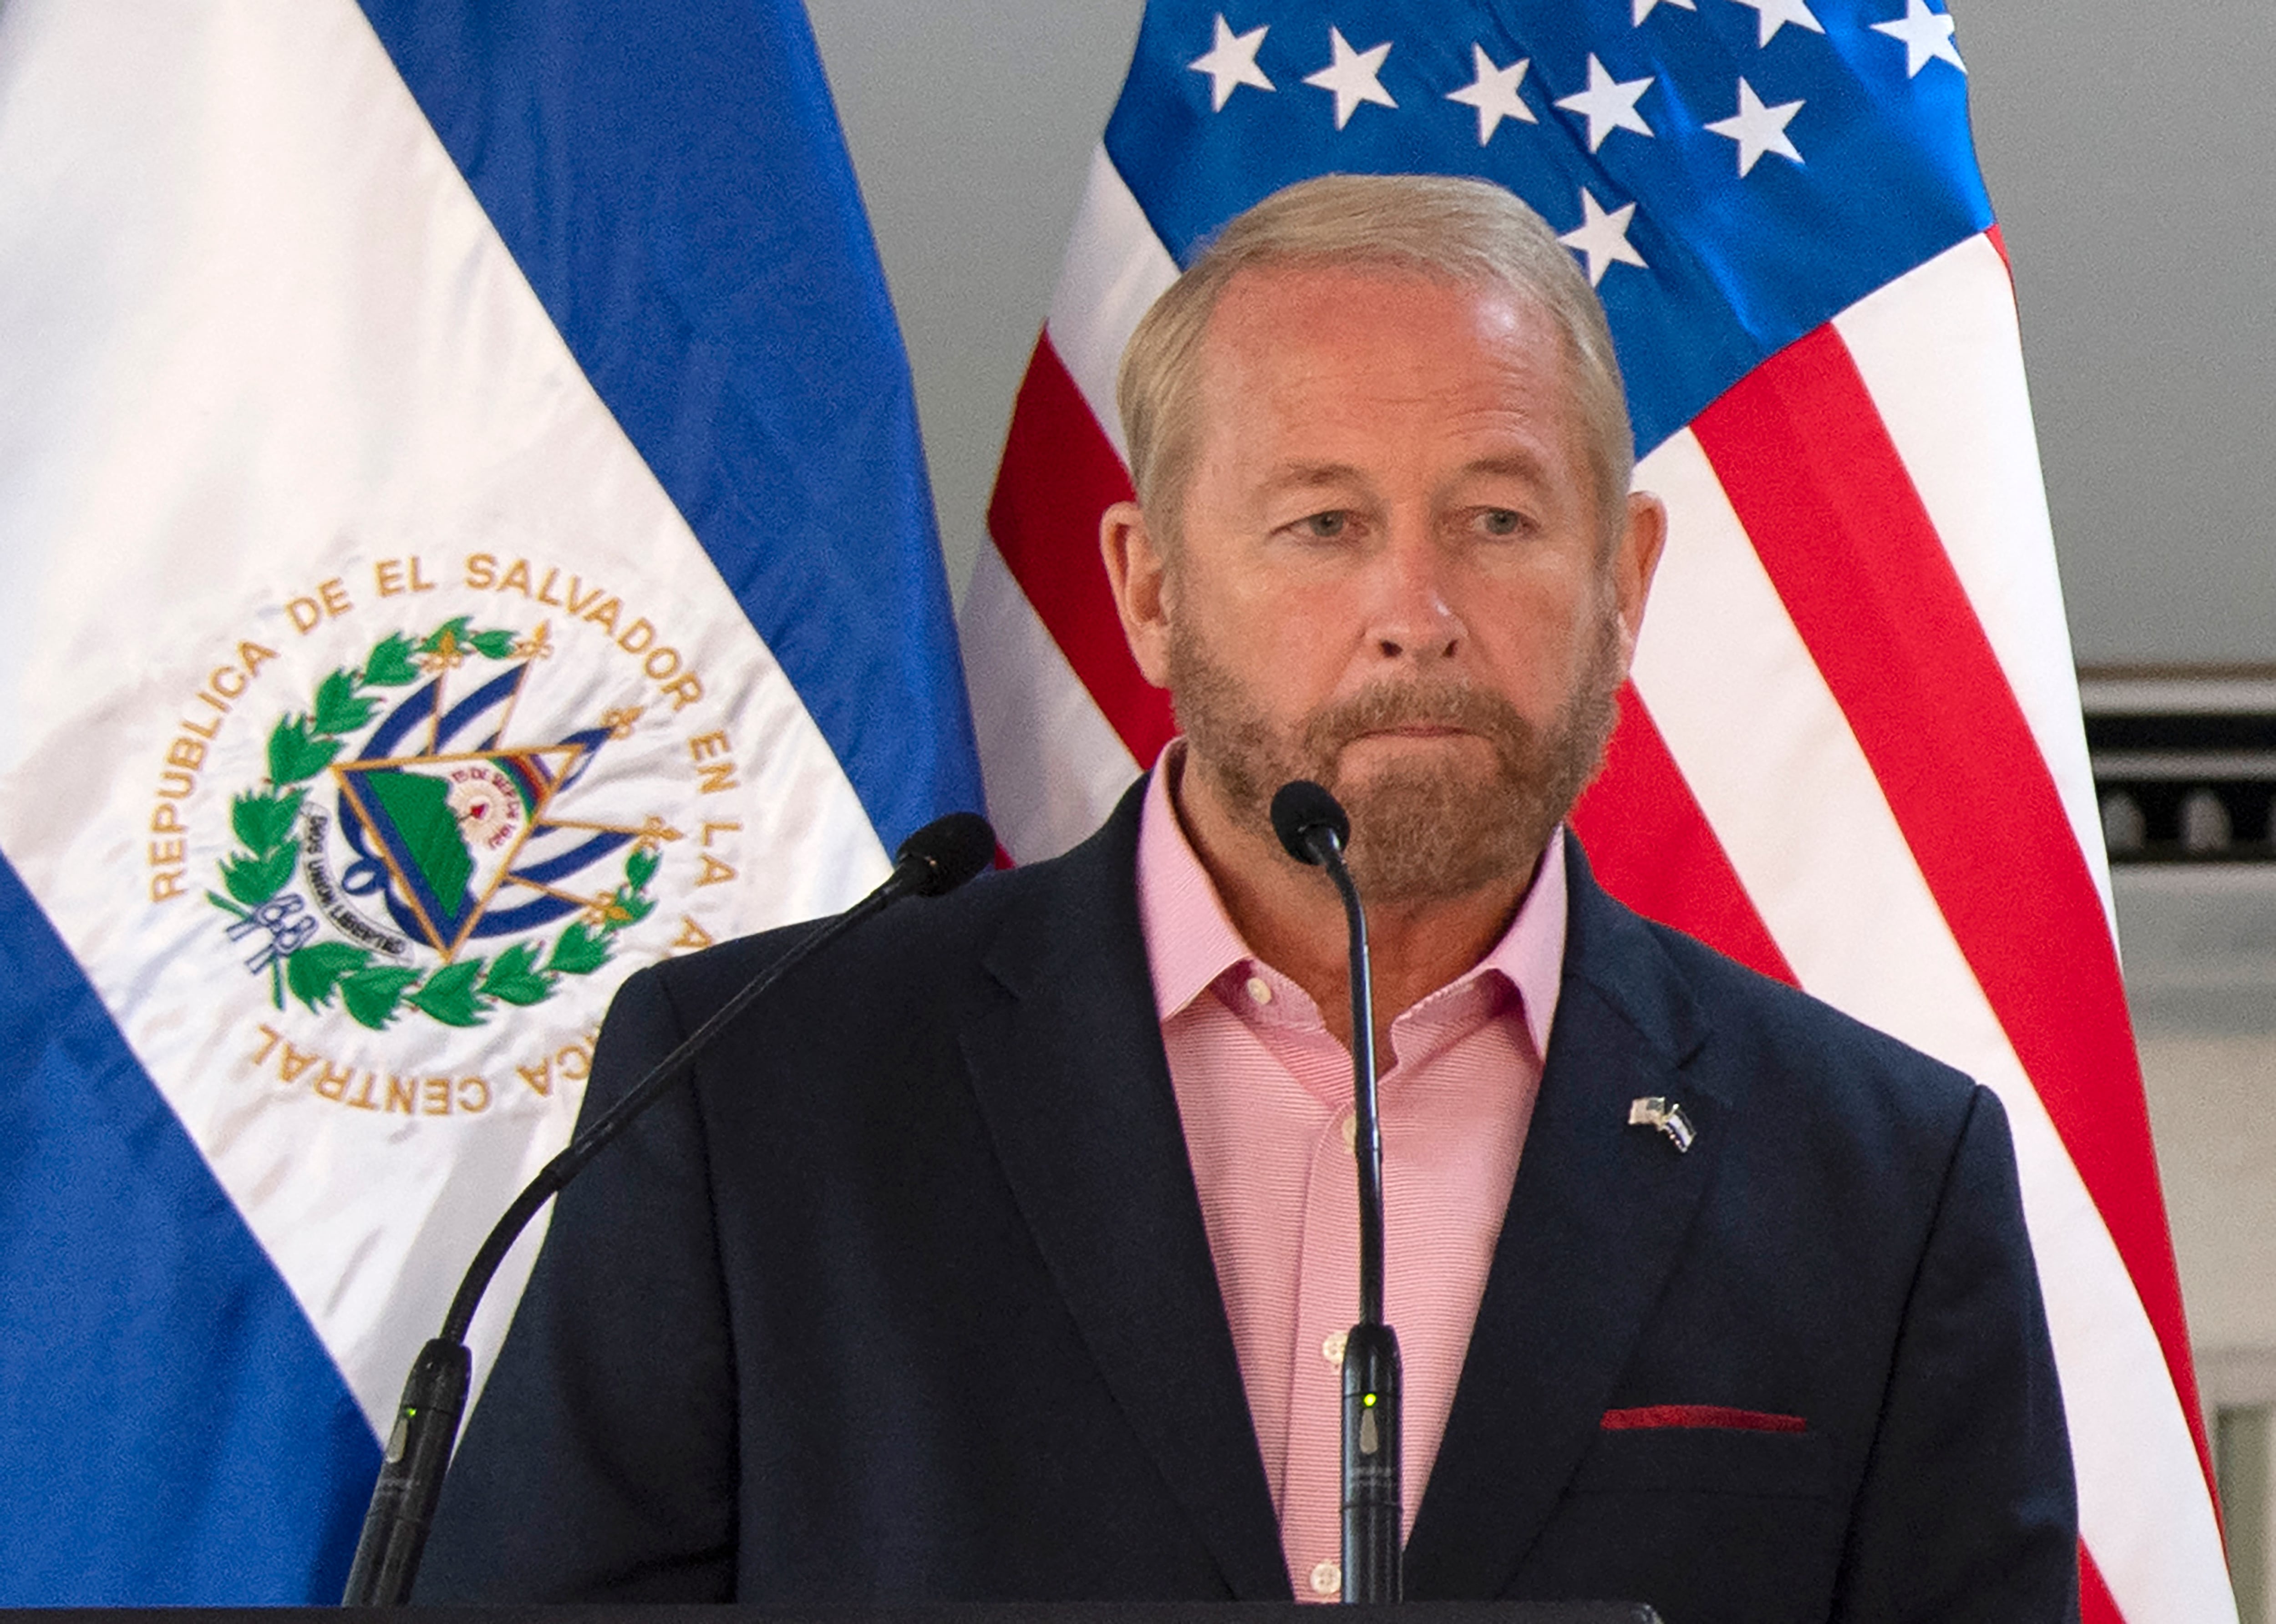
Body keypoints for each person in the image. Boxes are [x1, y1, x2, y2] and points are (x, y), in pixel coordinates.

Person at [417, 174, 2077, 1622]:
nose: (1414, 610)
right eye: (1323, 523)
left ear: (1626, 581)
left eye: (1497, 520)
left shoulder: (1880, 1175)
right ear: (1149, 589)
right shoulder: (752, 1098)